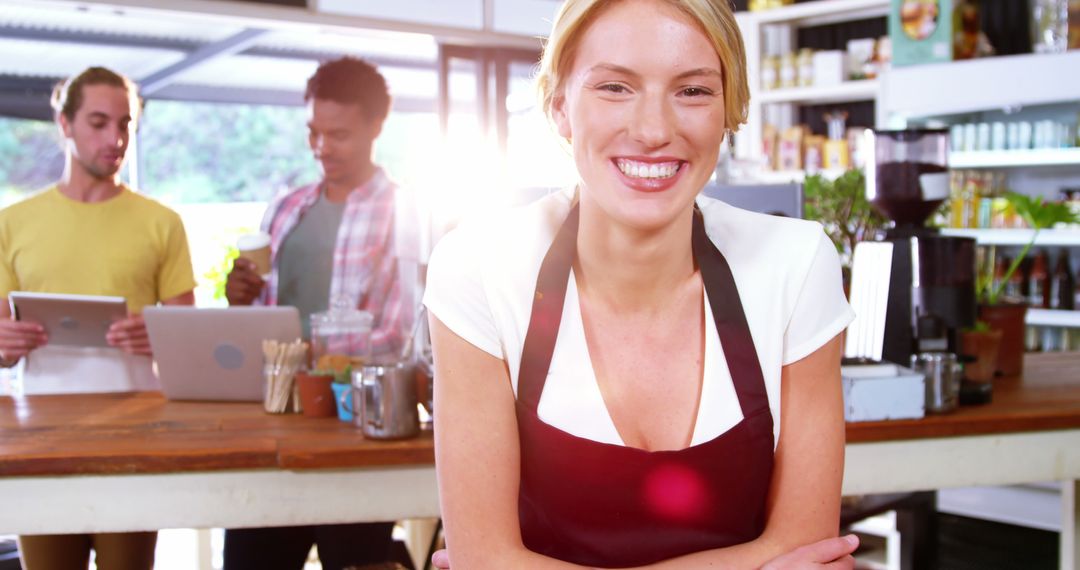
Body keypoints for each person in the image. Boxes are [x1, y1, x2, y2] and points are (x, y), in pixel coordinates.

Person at [422, 0, 861, 568]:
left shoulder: (796, 265)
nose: (654, 130)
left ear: (730, 109)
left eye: (694, 91)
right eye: (614, 87)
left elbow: (805, 547)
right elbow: (485, 558)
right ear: (559, 107)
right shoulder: (479, 268)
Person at [223, 56, 418, 570]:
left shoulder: (405, 214)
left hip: (351, 427)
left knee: (354, 557)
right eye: (313, 132)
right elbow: (268, 315)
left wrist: (311, 350)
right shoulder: (286, 209)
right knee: (250, 559)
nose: (322, 148)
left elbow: (400, 337)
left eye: (339, 134)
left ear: (377, 127)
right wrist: (239, 300)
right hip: (277, 420)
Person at [0, 66, 196, 569]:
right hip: (39, 439)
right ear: (64, 125)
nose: (116, 138)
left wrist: (158, 334)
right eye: (99, 122)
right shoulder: (11, 224)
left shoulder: (162, 223)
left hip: (134, 436)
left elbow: (190, 343)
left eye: (126, 123)